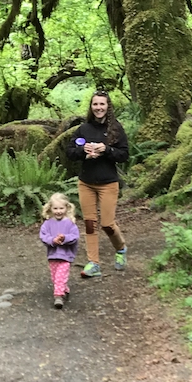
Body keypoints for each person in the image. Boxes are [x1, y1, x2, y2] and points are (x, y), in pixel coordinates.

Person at [65, 90, 129, 278]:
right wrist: (82, 151)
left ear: (108, 106)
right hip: (86, 183)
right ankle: (93, 263)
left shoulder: (116, 129)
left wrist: (106, 149)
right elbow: (70, 152)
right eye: (95, 104)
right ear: (91, 107)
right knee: (90, 223)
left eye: (102, 104)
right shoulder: (83, 129)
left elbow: (124, 155)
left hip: (108, 183)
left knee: (107, 224)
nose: (98, 107)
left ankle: (121, 248)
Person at [39, 193, 80, 309]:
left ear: (66, 208)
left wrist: (64, 238)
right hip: (52, 255)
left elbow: (75, 236)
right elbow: (43, 236)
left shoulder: (70, 223)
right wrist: (52, 240)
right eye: (55, 208)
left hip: (66, 255)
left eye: (61, 208)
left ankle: (58, 296)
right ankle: (64, 289)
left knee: (60, 276)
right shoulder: (47, 224)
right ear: (50, 208)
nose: (58, 211)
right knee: (55, 277)